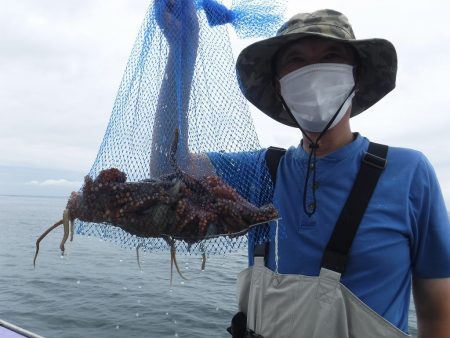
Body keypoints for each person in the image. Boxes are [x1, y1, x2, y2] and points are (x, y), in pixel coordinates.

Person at [154, 4, 450, 337]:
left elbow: (438, 314)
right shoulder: (260, 172)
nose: (313, 73)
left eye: (332, 55)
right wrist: (183, 48)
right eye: (295, 60)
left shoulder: (411, 174)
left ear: (357, 76)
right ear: (279, 87)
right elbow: (168, 170)